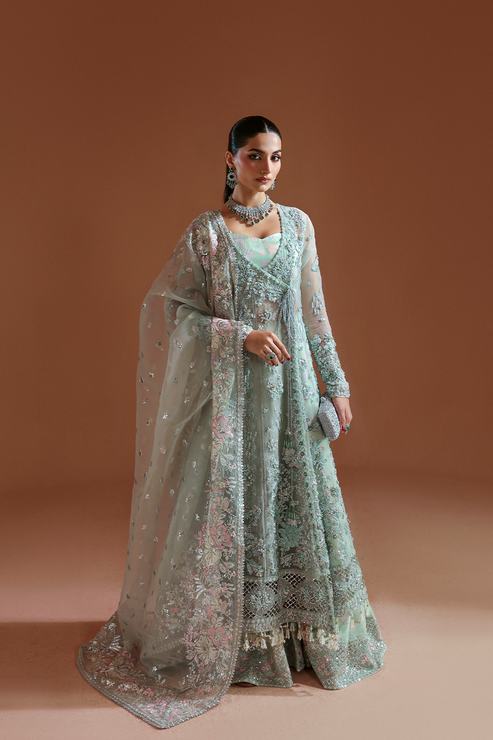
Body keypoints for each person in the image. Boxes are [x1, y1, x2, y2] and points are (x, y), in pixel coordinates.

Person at [76, 116, 387, 729]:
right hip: (232, 403)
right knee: (231, 507)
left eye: (276, 157)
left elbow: (314, 312)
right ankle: (238, 643)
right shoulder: (207, 234)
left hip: (293, 395)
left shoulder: (299, 225)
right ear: (230, 160)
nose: (267, 168)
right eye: (254, 156)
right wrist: (239, 334)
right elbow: (171, 311)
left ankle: (299, 639)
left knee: (298, 506)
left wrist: (338, 384)